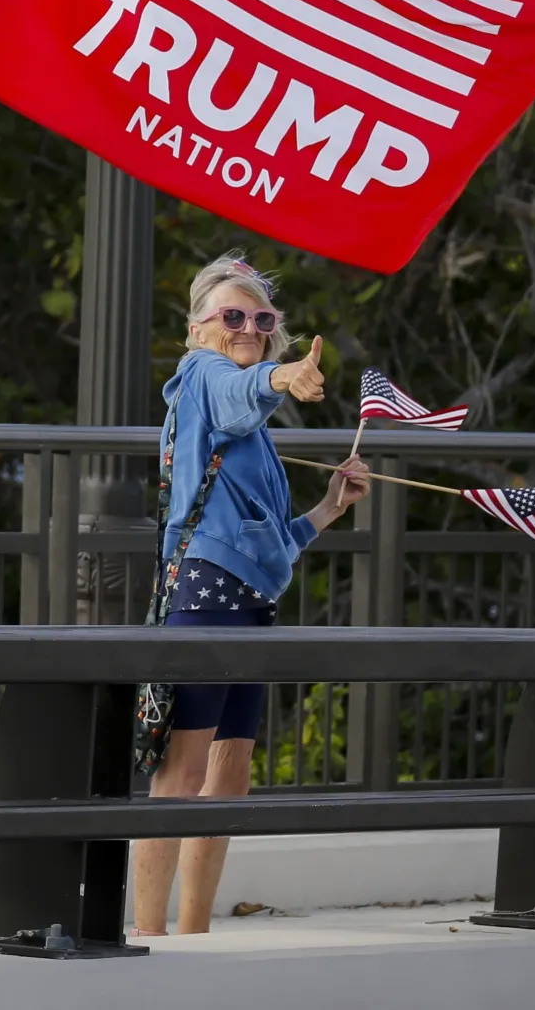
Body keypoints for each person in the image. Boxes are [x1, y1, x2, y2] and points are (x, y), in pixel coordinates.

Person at [131, 253, 371, 937]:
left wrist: (325, 509)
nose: (248, 327)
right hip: (205, 598)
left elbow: (265, 545)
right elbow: (240, 393)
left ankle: (193, 932)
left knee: (227, 777)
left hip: (249, 601)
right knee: (181, 777)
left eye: (262, 319)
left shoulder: (254, 434)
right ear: (197, 328)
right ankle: (150, 936)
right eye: (231, 315)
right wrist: (283, 376)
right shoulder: (204, 376)